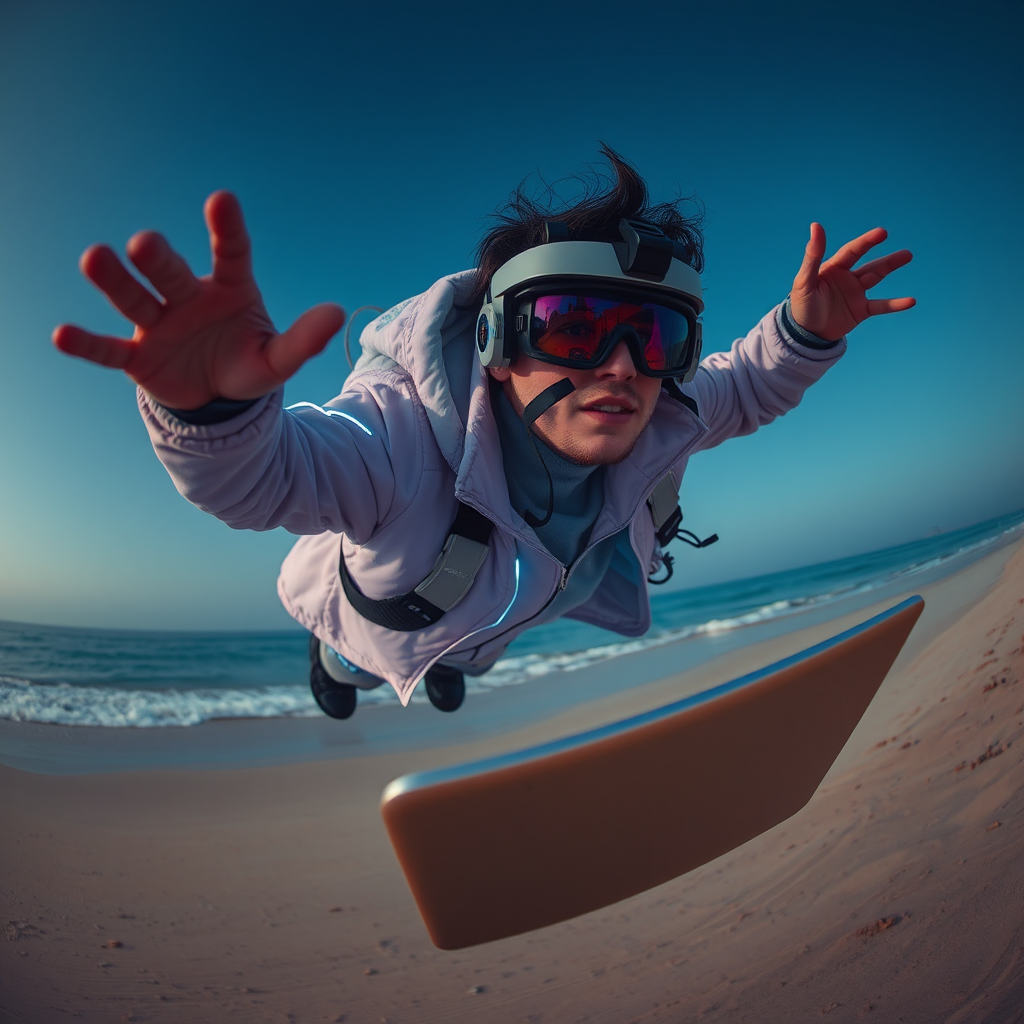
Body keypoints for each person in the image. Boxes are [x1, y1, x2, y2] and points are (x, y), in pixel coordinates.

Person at [53, 148, 915, 719]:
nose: (620, 368)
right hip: (379, 620)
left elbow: (749, 384)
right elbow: (268, 479)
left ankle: (457, 665)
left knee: (474, 647)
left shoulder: (669, 416)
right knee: (358, 666)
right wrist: (213, 412)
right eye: (574, 329)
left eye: (653, 338)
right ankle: (337, 667)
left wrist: (806, 331)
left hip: (503, 612)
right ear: (498, 344)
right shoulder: (397, 436)